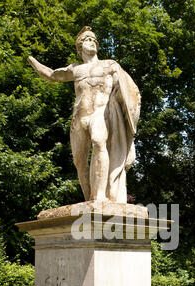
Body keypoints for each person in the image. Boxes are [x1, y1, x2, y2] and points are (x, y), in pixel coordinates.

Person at [28, 26, 141, 203]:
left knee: (99, 141)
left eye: (94, 40)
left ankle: (100, 196)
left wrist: (119, 90)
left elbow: (127, 89)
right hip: (79, 117)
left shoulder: (109, 65)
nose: (92, 42)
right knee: (79, 162)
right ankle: (91, 197)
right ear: (80, 46)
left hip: (100, 113)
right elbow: (51, 74)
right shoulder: (75, 69)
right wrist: (32, 60)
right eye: (88, 40)